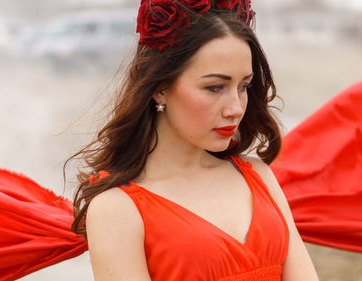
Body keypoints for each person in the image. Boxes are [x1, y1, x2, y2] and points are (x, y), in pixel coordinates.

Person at [67, 1, 319, 280]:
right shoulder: (117, 209)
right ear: (160, 88)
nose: (235, 107)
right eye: (214, 87)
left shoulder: (258, 176)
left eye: (243, 86)